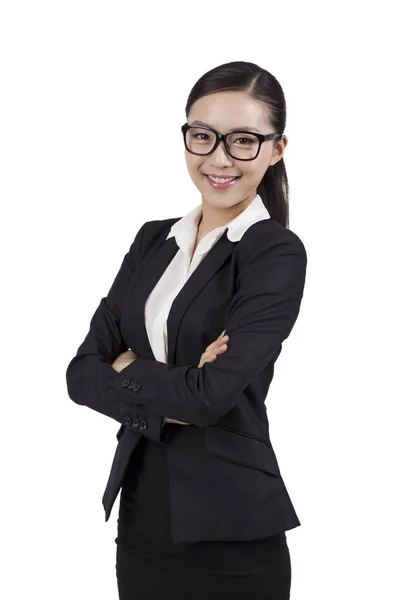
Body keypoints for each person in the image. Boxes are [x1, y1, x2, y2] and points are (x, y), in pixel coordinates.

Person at [66, 60, 308, 600]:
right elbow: (80, 373)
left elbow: (210, 398)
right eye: (203, 136)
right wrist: (174, 385)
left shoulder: (274, 253)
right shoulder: (153, 241)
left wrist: (128, 367)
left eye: (243, 140)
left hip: (232, 534)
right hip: (142, 519)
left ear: (276, 149)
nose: (218, 159)